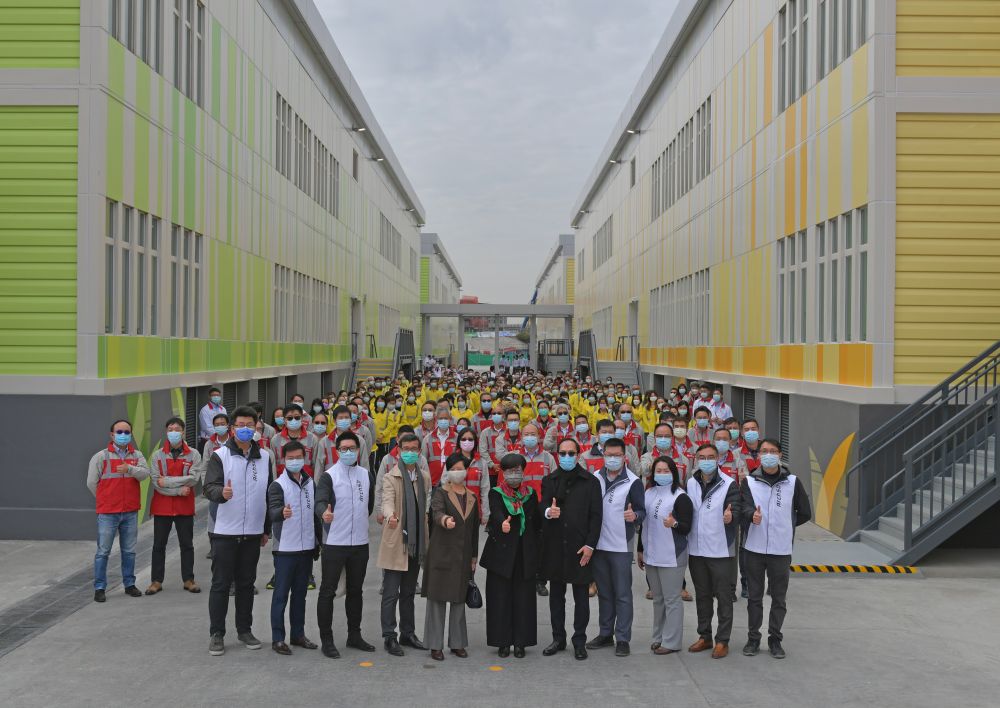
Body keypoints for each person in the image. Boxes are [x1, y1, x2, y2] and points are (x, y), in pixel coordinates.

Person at [202, 406, 274, 656]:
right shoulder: (220, 456)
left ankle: (244, 629)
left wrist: (266, 529)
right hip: (224, 531)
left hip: (253, 532)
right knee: (221, 584)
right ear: (232, 429)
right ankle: (217, 633)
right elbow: (208, 487)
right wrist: (221, 493)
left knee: (246, 583)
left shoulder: (264, 457)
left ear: (257, 428)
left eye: (250, 425)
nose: (245, 429)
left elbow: (268, 494)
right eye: (240, 425)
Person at [740, 439, 811, 659]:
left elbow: (805, 512)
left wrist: (785, 526)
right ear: (759, 455)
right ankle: (753, 639)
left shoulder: (792, 482)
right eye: (764, 451)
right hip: (754, 547)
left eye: (773, 451)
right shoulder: (749, 481)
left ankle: (775, 639)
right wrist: (752, 515)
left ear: (780, 455)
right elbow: (743, 508)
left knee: (779, 598)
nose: (768, 455)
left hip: (780, 550)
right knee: (754, 596)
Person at [540, 438, 603, 660]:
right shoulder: (550, 480)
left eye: (571, 453)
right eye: (562, 453)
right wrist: (548, 512)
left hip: (580, 548)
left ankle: (579, 640)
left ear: (578, 454)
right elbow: (542, 506)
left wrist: (590, 545)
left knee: (581, 597)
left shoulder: (590, 482)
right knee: (556, 596)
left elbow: (596, 517)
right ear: (557, 455)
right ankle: (558, 638)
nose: (566, 457)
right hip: (556, 547)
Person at [314, 431, 375, 659]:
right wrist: (324, 513)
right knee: (327, 591)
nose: (349, 452)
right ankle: (327, 640)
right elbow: (320, 501)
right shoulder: (329, 476)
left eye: (353, 448)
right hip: (335, 543)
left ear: (359, 450)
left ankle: (354, 635)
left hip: (360, 542)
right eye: (344, 449)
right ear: (337, 451)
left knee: (356, 591)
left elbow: (368, 507)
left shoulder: (366, 475)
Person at [586, 437, 645, 657]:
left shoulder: (633, 481)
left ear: (624, 457)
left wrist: (634, 515)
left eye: (616, 455)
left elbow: (642, 511)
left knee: (622, 594)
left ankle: (622, 638)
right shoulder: (595, 479)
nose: (612, 459)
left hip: (620, 546)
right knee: (604, 593)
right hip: (598, 546)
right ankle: (605, 633)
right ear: (603, 455)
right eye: (608, 455)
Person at [480, 453, 542, 657]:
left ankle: (521, 642)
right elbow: (496, 512)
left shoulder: (531, 494)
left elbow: (536, 522)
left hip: (525, 553)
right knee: (500, 598)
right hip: (501, 554)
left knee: (524, 599)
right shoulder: (496, 493)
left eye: (517, 470)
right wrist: (502, 523)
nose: (514, 474)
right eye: (509, 470)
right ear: (503, 473)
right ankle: (502, 642)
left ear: (523, 472)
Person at [377, 432, 432, 657]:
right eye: (405, 448)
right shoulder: (392, 476)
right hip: (396, 540)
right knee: (391, 592)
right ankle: (389, 635)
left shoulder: (425, 477)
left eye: (414, 449)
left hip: (416, 541)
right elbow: (387, 501)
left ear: (419, 452)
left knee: (409, 591)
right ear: (398, 450)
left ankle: (407, 633)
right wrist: (390, 516)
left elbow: (426, 504)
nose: (410, 452)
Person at [423, 453, 481, 661]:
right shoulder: (441, 493)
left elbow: (474, 530)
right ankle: (434, 645)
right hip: (441, 553)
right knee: (437, 600)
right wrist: (445, 520)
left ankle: (457, 643)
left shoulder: (472, 496)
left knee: (458, 599)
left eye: (461, 468)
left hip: (463, 555)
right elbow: (436, 512)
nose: (458, 472)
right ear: (448, 471)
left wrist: (474, 556)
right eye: (454, 468)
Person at [686, 442, 741, 659]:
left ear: (718, 459)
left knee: (724, 596)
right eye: (702, 457)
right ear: (696, 460)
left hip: (720, 551)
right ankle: (705, 636)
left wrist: (731, 517)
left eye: (711, 457)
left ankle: (722, 640)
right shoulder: (691, 482)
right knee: (703, 595)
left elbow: (735, 508)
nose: (706, 461)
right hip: (697, 550)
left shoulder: (729, 484)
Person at [266, 440, 321, 655]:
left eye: (299, 457)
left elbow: (315, 516)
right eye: (290, 458)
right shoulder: (277, 485)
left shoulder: (310, 483)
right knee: (281, 595)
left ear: (305, 458)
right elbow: (272, 511)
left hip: (306, 548)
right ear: (284, 460)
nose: (295, 461)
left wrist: (317, 542)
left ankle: (298, 634)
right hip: (285, 549)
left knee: (300, 594)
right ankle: (277, 638)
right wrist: (282, 513)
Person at [86, 419, 150, 602]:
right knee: (103, 551)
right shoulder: (101, 456)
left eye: (127, 432)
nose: (123, 435)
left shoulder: (136, 455)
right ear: (112, 435)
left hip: (129, 511)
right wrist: (106, 499)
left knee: (129, 551)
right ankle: (99, 587)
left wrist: (130, 468)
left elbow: (145, 474)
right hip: (108, 512)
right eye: (119, 432)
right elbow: (91, 483)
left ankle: (129, 584)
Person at [637, 456, 693, 655]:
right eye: (658, 471)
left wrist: (674, 524)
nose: (662, 474)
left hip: (672, 555)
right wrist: (640, 549)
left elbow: (686, 527)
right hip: (651, 554)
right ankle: (657, 637)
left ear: (673, 473)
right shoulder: (649, 493)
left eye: (665, 470)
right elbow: (644, 525)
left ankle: (672, 642)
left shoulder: (680, 496)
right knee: (658, 599)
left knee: (671, 600)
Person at [146, 417, 201, 595]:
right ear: (166, 432)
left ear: (183, 432)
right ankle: (156, 581)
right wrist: (177, 490)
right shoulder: (157, 455)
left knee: (187, 545)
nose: (173, 432)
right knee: (158, 545)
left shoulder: (193, 454)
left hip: (185, 507)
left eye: (177, 429)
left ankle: (188, 579)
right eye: (170, 429)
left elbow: (193, 479)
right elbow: (156, 482)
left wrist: (167, 481)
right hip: (162, 506)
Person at [421, 405, 457, 486]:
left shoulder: (457, 438)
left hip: (451, 482)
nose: (443, 421)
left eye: (446, 418)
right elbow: (423, 461)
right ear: (436, 419)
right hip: (432, 482)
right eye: (441, 418)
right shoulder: (428, 438)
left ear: (450, 419)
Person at [198, 387, 226, 453]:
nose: (216, 397)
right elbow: (207, 428)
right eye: (214, 395)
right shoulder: (204, 410)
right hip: (207, 440)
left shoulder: (223, 409)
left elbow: (226, 423)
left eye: (218, 395)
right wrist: (218, 437)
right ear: (209, 397)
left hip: (221, 441)